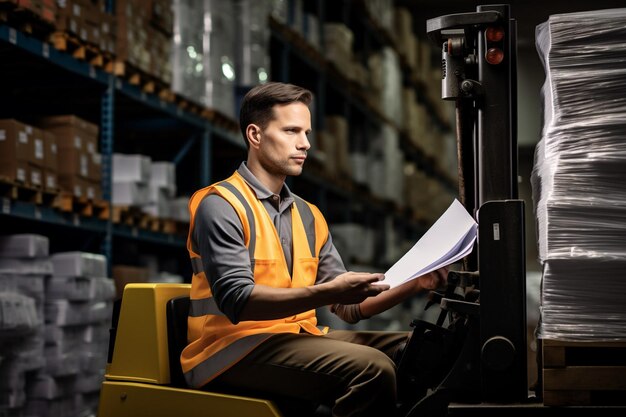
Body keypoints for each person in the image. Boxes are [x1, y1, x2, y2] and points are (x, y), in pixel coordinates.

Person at [181, 82, 448, 417]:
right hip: (229, 350)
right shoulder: (221, 205)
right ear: (255, 135)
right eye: (291, 131)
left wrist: (417, 282)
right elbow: (238, 301)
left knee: (418, 352)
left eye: (306, 132)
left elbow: (349, 307)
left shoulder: (308, 215)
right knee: (373, 369)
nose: (305, 143)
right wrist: (326, 292)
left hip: (296, 336)